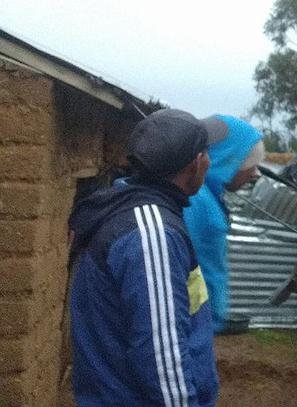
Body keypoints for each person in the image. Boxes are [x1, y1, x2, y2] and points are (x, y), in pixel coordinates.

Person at [69, 108, 222, 406]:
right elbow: (161, 354)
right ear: (196, 165)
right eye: (207, 153)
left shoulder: (121, 206)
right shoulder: (152, 233)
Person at [184, 115, 262, 332]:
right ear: (228, 159)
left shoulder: (205, 196)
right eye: (250, 163)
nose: (255, 173)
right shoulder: (194, 202)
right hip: (189, 325)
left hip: (198, 322)